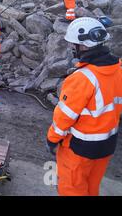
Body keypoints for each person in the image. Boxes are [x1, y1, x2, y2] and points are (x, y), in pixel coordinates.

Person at [46, 17, 122, 196]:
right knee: (91, 188)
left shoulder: (82, 78)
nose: (73, 48)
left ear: (84, 46)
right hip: (106, 146)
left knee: (71, 189)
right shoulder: (118, 69)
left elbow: (64, 117)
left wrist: (52, 139)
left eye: (74, 45)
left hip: (79, 149)